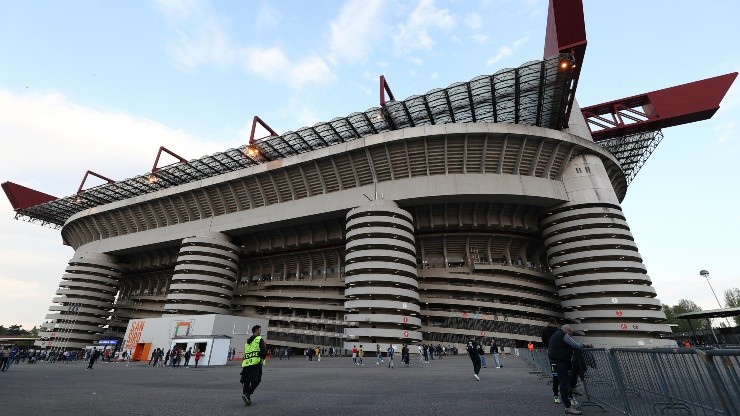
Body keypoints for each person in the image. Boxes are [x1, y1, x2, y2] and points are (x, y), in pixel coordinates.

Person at [548, 325, 593, 415]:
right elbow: (575, 345)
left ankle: (573, 387)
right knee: (564, 384)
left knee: (572, 371)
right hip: (560, 363)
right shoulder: (563, 335)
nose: (570, 336)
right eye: (571, 334)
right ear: (568, 331)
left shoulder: (555, 334)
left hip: (556, 361)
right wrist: (585, 344)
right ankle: (568, 407)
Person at [240, 325, 267, 406]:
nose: (260, 331)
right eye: (260, 330)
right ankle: (247, 394)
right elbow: (263, 350)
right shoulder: (259, 339)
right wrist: (263, 358)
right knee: (257, 380)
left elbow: (246, 352)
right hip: (256, 362)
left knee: (246, 381)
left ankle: (246, 397)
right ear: (257, 330)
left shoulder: (247, 342)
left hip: (246, 363)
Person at [541, 318, 561, 403]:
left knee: (555, 376)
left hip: (551, 355)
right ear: (555, 323)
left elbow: (544, 340)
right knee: (564, 376)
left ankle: (556, 396)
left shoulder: (545, 331)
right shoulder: (559, 331)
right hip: (561, 354)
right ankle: (569, 396)